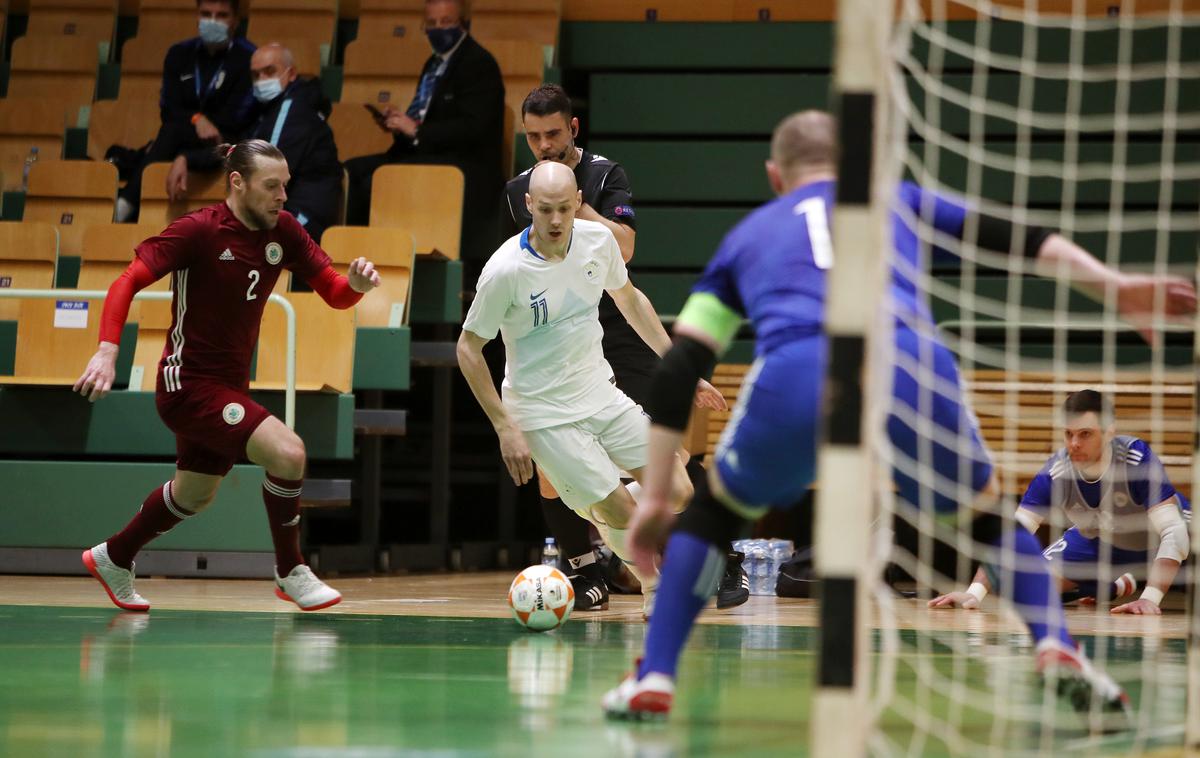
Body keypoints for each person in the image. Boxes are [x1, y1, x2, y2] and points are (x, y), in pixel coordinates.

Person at [601, 110, 1197, 720]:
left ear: (776, 175)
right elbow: (1018, 235)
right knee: (990, 522)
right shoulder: (895, 198)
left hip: (800, 369)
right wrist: (1111, 283)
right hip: (909, 362)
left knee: (710, 518)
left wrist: (652, 502)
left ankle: (658, 675)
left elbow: (679, 367)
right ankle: (1054, 644)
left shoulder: (748, 236)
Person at [75, 139, 382, 613]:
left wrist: (356, 286)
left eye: (286, 186)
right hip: (187, 386)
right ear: (237, 183)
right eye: (272, 186)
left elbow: (336, 294)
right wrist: (106, 350)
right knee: (288, 452)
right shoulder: (198, 230)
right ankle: (290, 570)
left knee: (193, 495)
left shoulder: (284, 231)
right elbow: (126, 281)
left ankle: (114, 555)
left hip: (228, 388)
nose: (283, 196)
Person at [501, 84, 750, 612]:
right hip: (563, 345)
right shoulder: (518, 190)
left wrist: (574, 205)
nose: (543, 145)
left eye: (553, 134)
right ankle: (584, 566)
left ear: (573, 129)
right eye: (533, 137)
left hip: (620, 332)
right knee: (555, 470)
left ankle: (722, 562)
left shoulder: (606, 174)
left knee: (671, 456)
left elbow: (626, 248)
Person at [458, 161, 727, 618]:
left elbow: (630, 300)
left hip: (601, 394)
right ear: (528, 207)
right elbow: (468, 349)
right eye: (546, 210)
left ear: (579, 201)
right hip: (543, 415)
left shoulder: (598, 242)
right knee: (623, 512)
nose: (557, 220)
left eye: (565, 208)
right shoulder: (505, 270)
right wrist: (505, 427)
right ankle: (652, 584)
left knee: (679, 491)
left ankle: (599, 510)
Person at [930, 389, 1190, 614]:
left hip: (1162, 534)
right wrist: (974, 593)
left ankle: (1151, 580)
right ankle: (1118, 584)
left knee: (1181, 539)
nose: (1074, 444)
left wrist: (1149, 600)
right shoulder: (1056, 471)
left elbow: (1174, 532)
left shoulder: (1134, 458)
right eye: (1068, 434)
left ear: (1109, 432)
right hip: (1100, 540)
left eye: (1085, 434)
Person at [344, 0, 504, 263]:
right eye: (431, 23)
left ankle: (376, 258)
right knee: (350, 172)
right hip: (424, 152)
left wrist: (417, 130)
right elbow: (426, 118)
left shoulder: (479, 63)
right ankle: (350, 257)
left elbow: (474, 129)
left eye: (446, 22)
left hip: (463, 163)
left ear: (464, 24)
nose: (438, 29)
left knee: (377, 179)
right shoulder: (433, 63)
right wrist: (401, 124)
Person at [164, 43, 343, 242]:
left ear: (291, 74)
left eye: (269, 71)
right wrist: (187, 158)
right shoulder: (267, 110)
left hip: (302, 217)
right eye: (256, 75)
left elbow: (268, 171)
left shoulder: (292, 109)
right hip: (278, 208)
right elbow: (237, 149)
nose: (261, 80)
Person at [116, 0, 257, 222]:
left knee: (171, 134)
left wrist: (204, 124)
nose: (212, 21)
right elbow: (169, 108)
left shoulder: (248, 58)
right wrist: (197, 118)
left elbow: (237, 117)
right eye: (206, 13)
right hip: (182, 135)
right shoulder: (179, 54)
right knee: (173, 130)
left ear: (236, 20)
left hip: (226, 140)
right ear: (197, 15)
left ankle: (125, 204)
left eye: (221, 15)